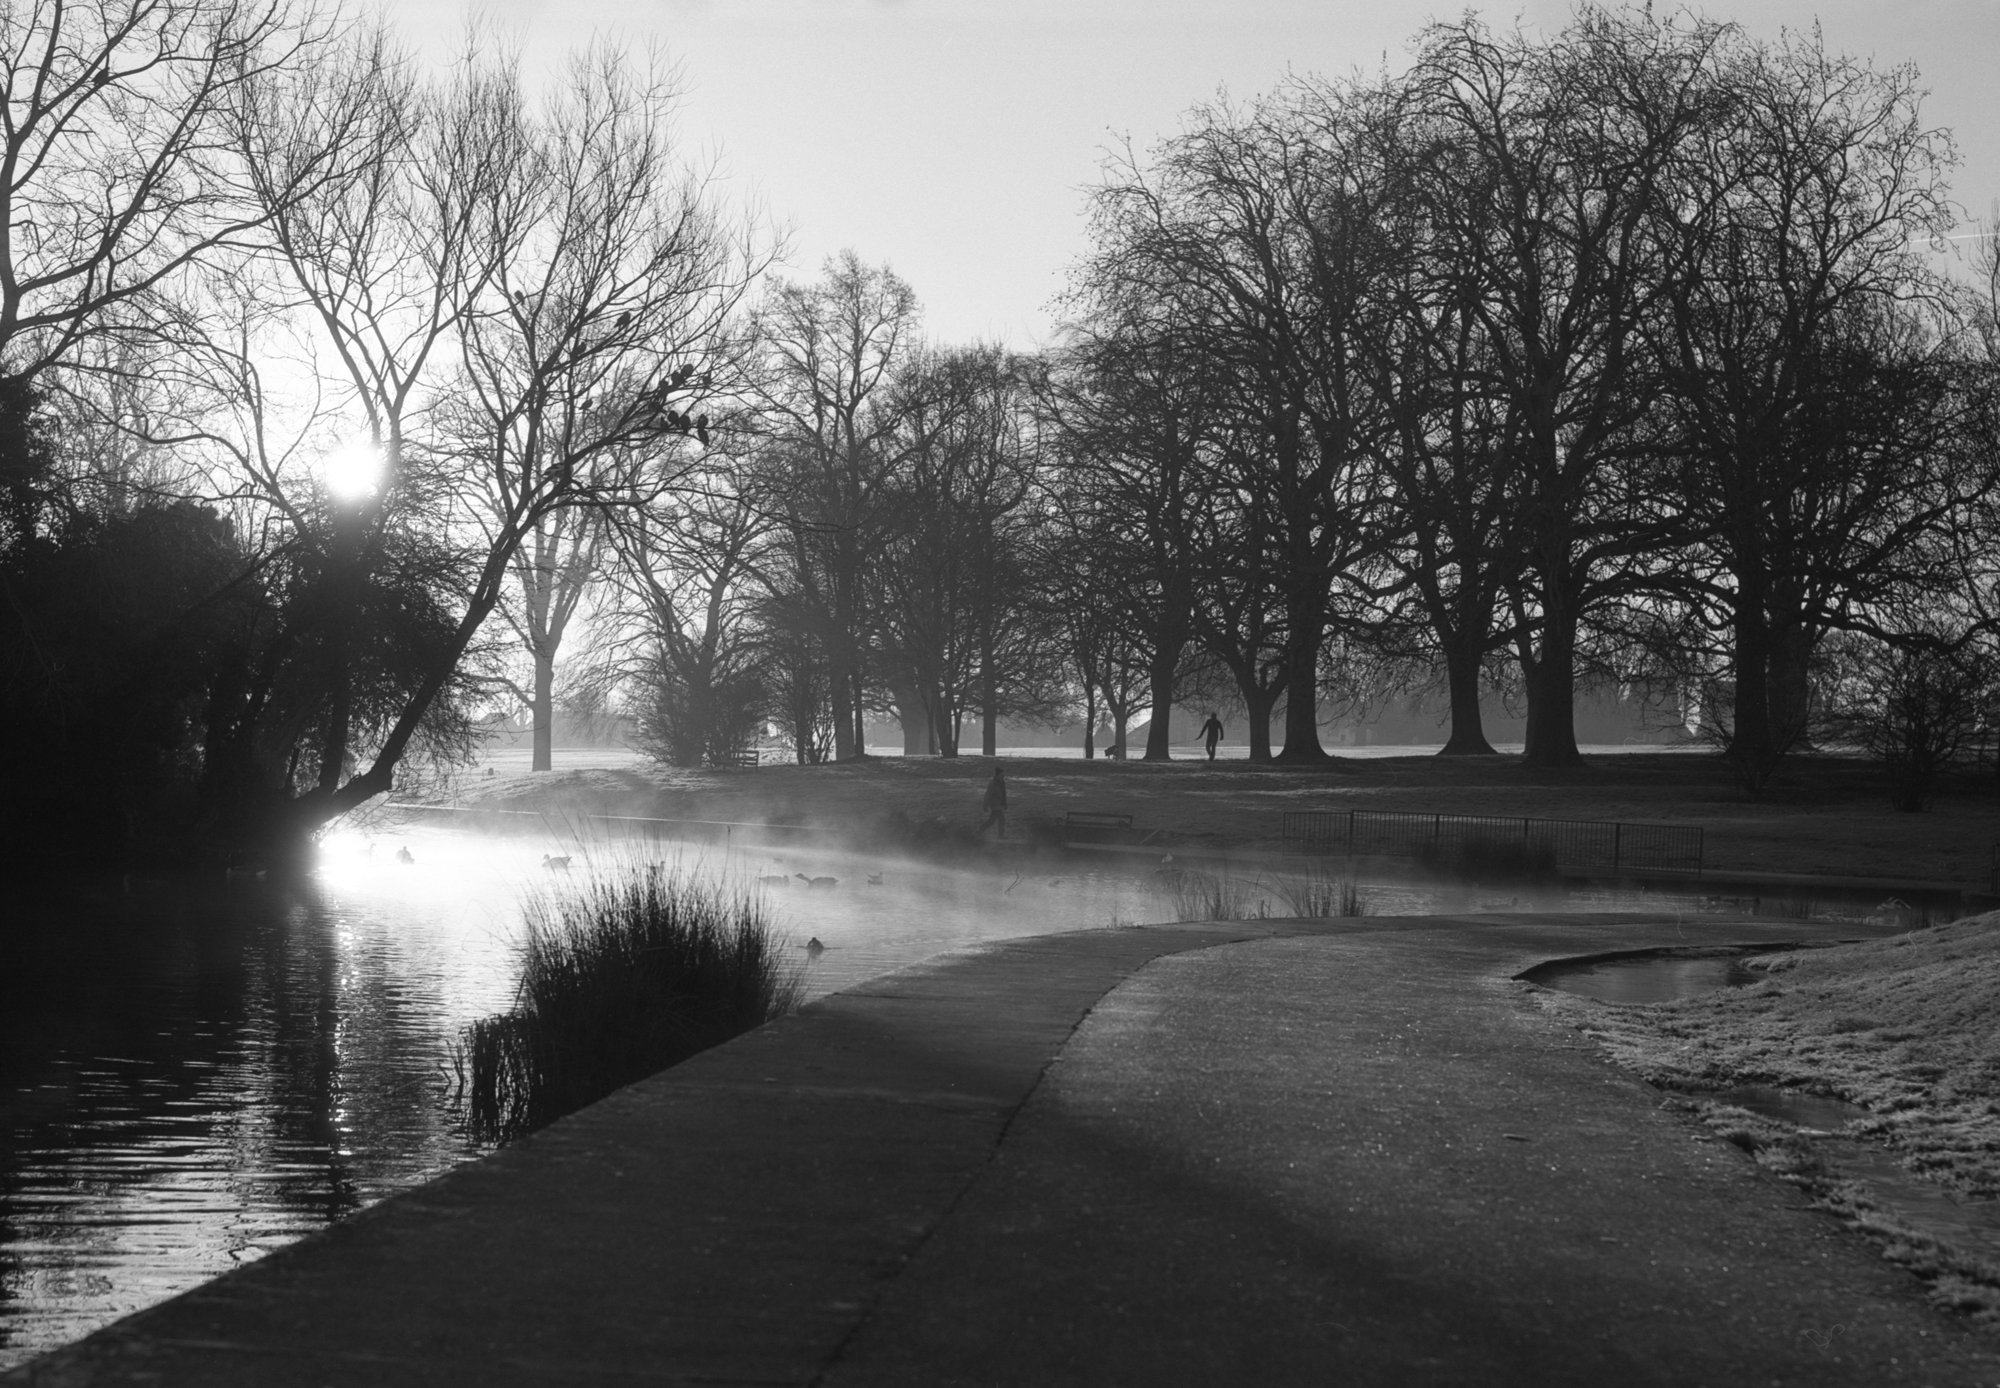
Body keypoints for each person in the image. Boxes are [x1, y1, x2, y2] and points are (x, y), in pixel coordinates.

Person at [981, 765, 1008, 839]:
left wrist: (1005, 803)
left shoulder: (1002, 782)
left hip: (999, 804)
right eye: (1002, 775)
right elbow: (988, 795)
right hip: (994, 804)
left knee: (992, 821)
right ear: (997, 775)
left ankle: (980, 831)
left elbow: (1004, 794)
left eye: (1003, 775)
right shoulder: (992, 783)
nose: (1003, 776)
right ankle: (1000, 835)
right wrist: (985, 805)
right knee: (1001, 819)